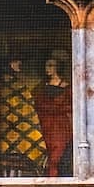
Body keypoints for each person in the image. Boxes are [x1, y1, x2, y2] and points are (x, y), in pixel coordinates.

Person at [33, 50, 73, 178]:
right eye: (46, 65)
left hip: (60, 127)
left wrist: (56, 108)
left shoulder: (67, 88)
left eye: (51, 65)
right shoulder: (41, 87)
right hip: (45, 125)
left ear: (58, 67)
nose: (47, 68)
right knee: (47, 155)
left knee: (58, 156)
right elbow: (37, 105)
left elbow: (71, 106)